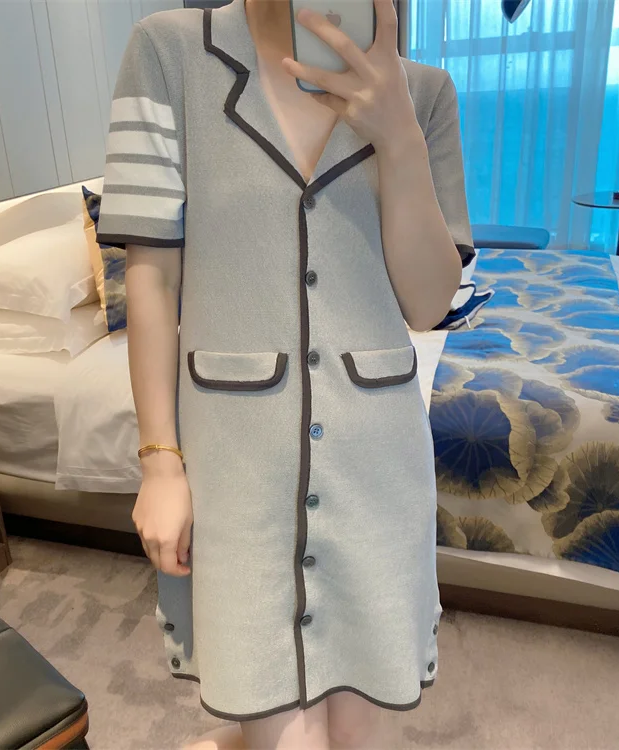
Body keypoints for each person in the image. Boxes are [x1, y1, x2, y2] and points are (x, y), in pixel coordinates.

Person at [95, 0, 474, 747]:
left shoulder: (425, 93)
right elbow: (153, 277)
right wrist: (160, 462)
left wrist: (398, 137)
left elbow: (429, 305)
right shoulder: (168, 54)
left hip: (377, 468)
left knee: (357, 737)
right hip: (239, 469)